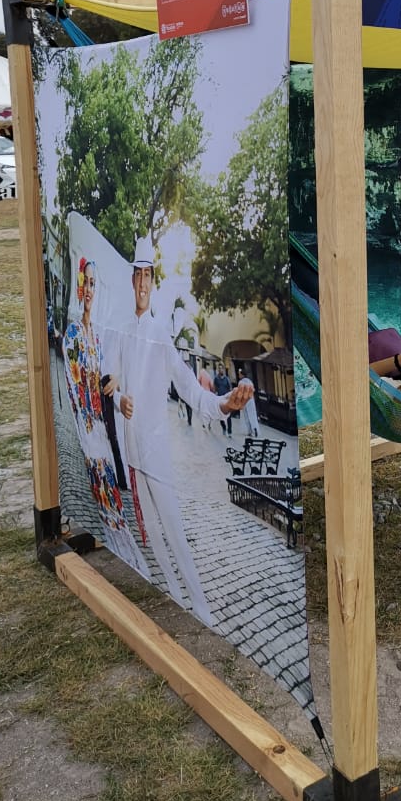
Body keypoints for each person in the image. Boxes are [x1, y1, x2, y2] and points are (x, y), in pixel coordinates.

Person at [106, 239, 254, 626]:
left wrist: (224, 404)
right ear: (131, 280)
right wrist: (119, 397)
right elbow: (109, 382)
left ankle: (201, 609)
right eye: (136, 275)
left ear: (153, 283)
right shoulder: (121, 331)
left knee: (174, 530)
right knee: (152, 533)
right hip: (132, 453)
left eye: (147, 275)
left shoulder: (159, 336)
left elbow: (189, 389)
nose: (141, 282)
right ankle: (171, 594)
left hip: (156, 452)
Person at [62, 258, 149, 578]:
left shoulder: (97, 336)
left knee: (114, 503)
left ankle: (129, 557)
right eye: (85, 283)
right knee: (106, 499)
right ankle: (124, 557)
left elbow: (105, 381)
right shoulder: (73, 334)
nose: (89, 290)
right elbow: (77, 393)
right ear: (78, 286)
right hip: (90, 435)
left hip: (102, 430)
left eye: (94, 284)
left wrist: (115, 388)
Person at [213, 364, 234, 435]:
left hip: (227, 399)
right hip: (220, 399)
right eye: (219, 369)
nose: (220, 370)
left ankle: (230, 431)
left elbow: (230, 389)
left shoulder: (227, 379)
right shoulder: (216, 379)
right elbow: (215, 388)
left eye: (221, 369)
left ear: (224, 370)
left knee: (228, 416)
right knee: (220, 415)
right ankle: (224, 427)